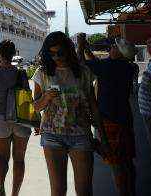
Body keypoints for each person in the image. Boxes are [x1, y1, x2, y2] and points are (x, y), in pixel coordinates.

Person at [32, 31, 109, 196]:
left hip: (80, 134)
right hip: (52, 135)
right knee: (58, 191)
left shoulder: (83, 72)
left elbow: (94, 106)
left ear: (68, 49)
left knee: (84, 191)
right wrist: (46, 97)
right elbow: (36, 107)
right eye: (51, 54)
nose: (56, 57)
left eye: (60, 52)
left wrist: (103, 137)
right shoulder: (42, 73)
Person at [78, 35, 138, 195]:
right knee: (127, 162)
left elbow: (80, 65)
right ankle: (131, 191)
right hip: (125, 118)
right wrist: (87, 49)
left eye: (114, 47)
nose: (111, 47)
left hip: (110, 120)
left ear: (119, 53)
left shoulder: (109, 67)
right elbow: (98, 65)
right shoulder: (127, 67)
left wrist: (79, 46)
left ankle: (124, 193)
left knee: (115, 162)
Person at [0, 40, 31, 196]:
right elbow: (27, 98)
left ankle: (0, 186)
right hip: (20, 119)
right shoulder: (21, 73)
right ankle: (14, 194)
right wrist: (35, 121)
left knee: (1, 157)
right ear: (14, 54)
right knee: (19, 159)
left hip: (0, 117)